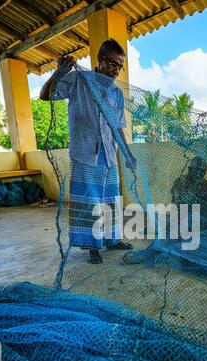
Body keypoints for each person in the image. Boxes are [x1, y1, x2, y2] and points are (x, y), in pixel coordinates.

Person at [40, 39, 136, 264]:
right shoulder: (78, 80)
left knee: (111, 200)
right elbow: (46, 95)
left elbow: (118, 127)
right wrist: (59, 72)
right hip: (85, 154)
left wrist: (128, 155)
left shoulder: (116, 93)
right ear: (100, 60)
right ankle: (92, 246)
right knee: (89, 202)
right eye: (113, 64)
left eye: (120, 66)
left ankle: (112, 240)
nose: (116, 70)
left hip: (109, 157)